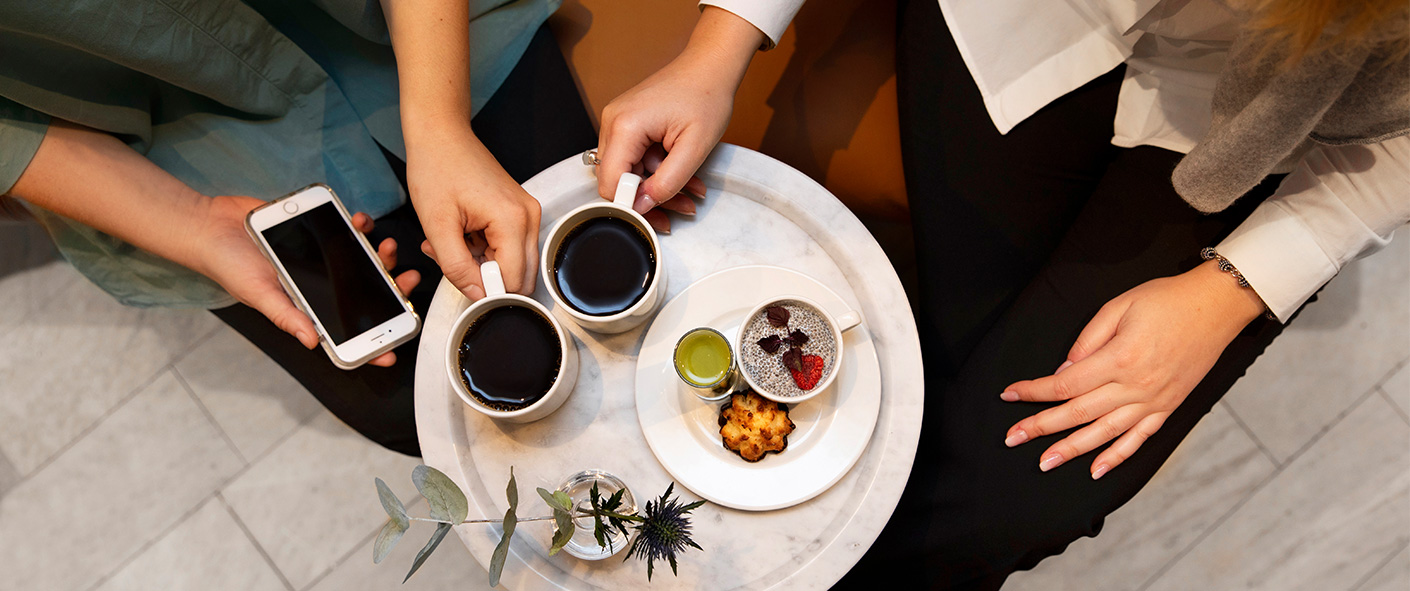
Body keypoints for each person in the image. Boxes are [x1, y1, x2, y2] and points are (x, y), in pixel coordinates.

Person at [595, 0, 1408, 587]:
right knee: (920, 387)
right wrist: (717, 47)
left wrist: (1234, 287)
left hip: (1264, 129)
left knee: (1009, 497)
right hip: (1021, 24)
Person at [0, 0, 598, 456]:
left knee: (585, 253)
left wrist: (437, 124)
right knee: (424, 413)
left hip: (401, 25)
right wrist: (193, 223)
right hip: (169, 153)